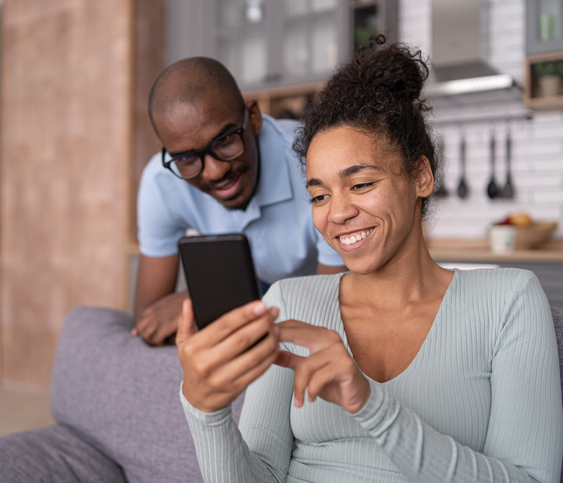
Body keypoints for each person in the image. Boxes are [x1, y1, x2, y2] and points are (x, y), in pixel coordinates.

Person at [176, 38, 563, 482]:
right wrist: (205, 411)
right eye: (319, 195)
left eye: (360, 184)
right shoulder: (290, 303)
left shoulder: (508, 302)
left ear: (420, 176)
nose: (336, 213)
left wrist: (371, 404)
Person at [134, 57, 346, 346]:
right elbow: (150, 319)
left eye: (225, 141)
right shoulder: (162, 180)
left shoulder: (314, 162)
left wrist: (213, 300)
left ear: (253, 117)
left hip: (316, 289)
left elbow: (329, 312)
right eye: (186, 158)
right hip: (254, 291)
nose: (215, 171)